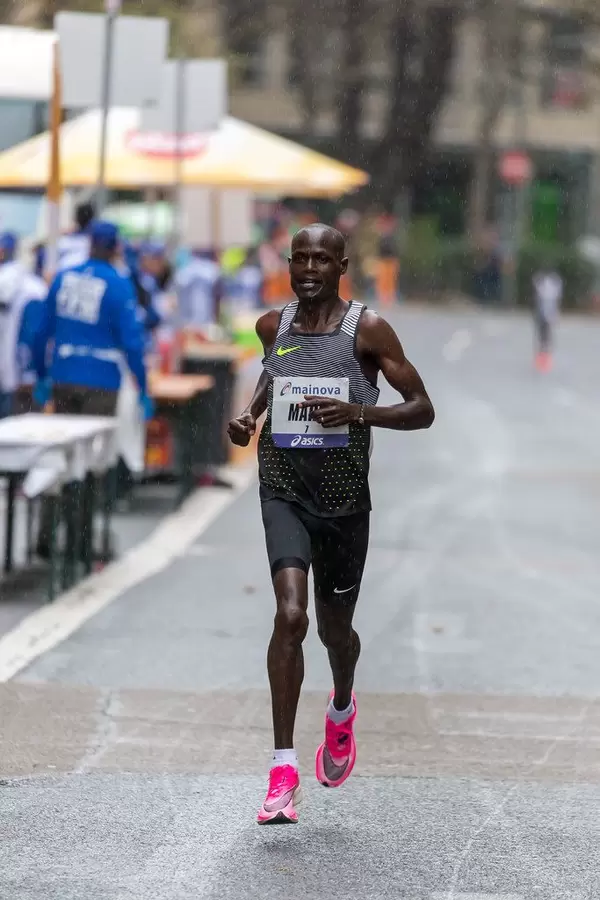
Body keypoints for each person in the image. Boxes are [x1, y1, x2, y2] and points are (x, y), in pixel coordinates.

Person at [228, 223, 435, 825]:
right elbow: (270, 384)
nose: (310, 267)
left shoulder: (367, 330)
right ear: (288, 264)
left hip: (344, 504)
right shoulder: (275, 325)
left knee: (334, 634)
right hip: (284, 491)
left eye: (322, 258)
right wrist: (247, 418)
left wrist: (358, 412)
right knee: (290, 616)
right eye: (301, 258)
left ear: (342, 264)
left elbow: (423, 409)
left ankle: (341, 705)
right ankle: (283, 770)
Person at [32, 221, 153, 559]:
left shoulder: (63, 277)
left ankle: (45, 534)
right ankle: (80, 542)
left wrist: (43, 376)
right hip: (101, 383)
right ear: (115, 247)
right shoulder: (118, 284)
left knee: (60, 455)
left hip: (64, 377)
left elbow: (41, 332)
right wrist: (143, 387)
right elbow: (132, 341)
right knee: (91, 461)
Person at [0, 232, 47, 418]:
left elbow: (32, 334)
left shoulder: (30, 288)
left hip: (14, 379)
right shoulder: (34, 287)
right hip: (17, 378)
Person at [532, 264, 563, 372]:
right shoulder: (551, 284)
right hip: (544, 313)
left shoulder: (550, 284)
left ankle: (544, 357)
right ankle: (543, 356)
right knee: (544, 335)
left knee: (545, 336)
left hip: (546, 313)